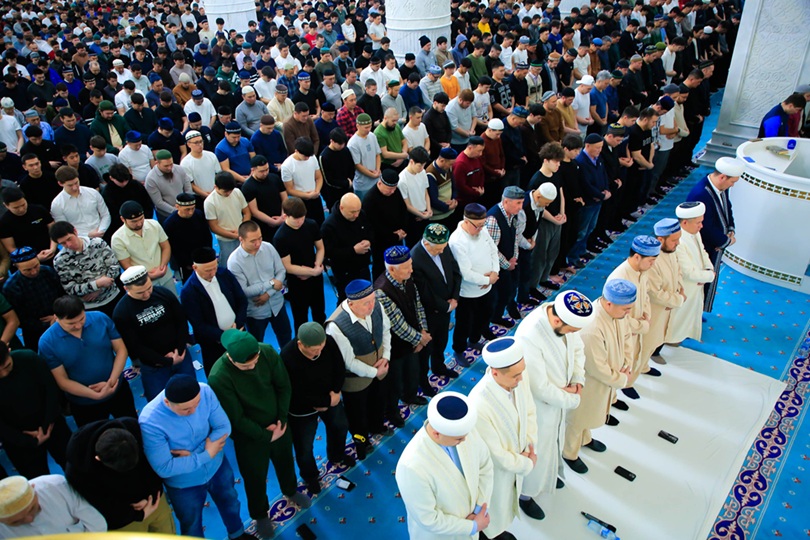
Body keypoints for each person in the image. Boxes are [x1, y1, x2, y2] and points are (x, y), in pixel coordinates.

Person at [208, 329, 311, 539]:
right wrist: (266, 436)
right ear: (231, 358)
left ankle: (290, 490)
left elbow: (284, 386)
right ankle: (260, 514)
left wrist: (281, 419)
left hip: (278, 424)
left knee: (285, 461)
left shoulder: (267, 352)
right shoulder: (219, 376)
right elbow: (236, 418)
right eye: (246, 366)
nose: (253, 367)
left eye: (255, 361)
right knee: (254, 476)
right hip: (249, 436)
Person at [139, 375, 254, 540]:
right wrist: (206, 454)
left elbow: (223, 427)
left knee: (231, 502)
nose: (193, 411)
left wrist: (192, 455)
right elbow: (164, 468)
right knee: (191, 523)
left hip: (217, 467)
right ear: (167, 403)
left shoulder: (204, 391)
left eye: (197, 404)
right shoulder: (150, 421)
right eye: (186, 409)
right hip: (184, 484)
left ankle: (237, 535)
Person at [515, 290, 594, 501]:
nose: (573, 333)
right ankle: (526, 495)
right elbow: (539, 387)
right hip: (539, 407)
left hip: (560, 399)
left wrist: (577, 380)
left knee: (555, 442)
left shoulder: (564, 320)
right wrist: (573, 398)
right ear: (557, 321)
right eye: (571, 330)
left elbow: (577, 349)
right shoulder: (529, 335)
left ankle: (549, 476)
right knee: (538, 448)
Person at [395, 391, 494, 539]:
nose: (465, 441)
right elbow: (429, 519)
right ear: (436, 434)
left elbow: (485, 465)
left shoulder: (463, 432)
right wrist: (471, 526)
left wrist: (479, 508)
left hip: (476, 519)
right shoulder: (411, 467)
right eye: (458, 439)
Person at [468, 337, 539, 538]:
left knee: (509, 502)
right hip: (496, 472)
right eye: (516, 375)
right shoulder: (479, 404)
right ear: (495, 373)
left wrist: (529, 445)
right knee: (496, 508)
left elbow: (530, 412)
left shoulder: (518, 378)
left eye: (522, 372)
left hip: (521, 457)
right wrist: (526, 463)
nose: (521, 379)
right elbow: (496, 454)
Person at [563, 279, 635, 474]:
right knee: (578, 419)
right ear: (609, 303)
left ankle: (585, 439)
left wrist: (626, 364)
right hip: (589, 382)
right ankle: (569, 453)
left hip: (608, 378)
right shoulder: (592, 328)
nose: (628, 313)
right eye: (626, 309)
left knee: (589, 414)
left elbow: (626, 338)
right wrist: (621, 379)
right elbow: (597, 368)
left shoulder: (617, 314)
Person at [39, 295, 136, 427]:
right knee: (94, 436)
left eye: (81, 319)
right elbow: (62, 381)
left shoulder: (100, 318)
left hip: (117, 389)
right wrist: (95, 395)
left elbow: (121, 350)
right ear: (56, 318)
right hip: (84, 402)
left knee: (132, 426)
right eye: (71, 324)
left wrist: (111, 381)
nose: (78, 325)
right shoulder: (47, 342)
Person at [64, 418, 174, 533]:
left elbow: (154, 465)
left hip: (155, 501)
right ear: (98, 458)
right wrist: (137, 514)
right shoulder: (78, 471)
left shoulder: (135, 427)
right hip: (125, 521)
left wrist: (151, 495)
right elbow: (101, 507)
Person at [281, 322, 355, 493]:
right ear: (301, 344)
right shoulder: (287, 357)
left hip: (330, 397)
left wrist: (335, 392)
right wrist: (326, 402)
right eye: (314, 349)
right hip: (302, 409)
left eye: (321, 346)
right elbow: (294, 392)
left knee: (340, 426)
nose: (319, 351)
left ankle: (337, 455)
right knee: (304, 447)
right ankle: (310, 476)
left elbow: (339, 367)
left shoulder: (327, 341)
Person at [325, 279, 392, 460]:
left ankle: (377, 426)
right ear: (351, 303)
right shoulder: (336, 326)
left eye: (372, 300)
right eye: (366, 303)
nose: (372, 306)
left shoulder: (375, 305)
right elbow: (349, 362)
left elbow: (386, 330)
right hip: (355, 379)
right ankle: (362, 442)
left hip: (380, 367)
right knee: (357, 416)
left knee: (378, 402)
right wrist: (375, 372)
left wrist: (386, 357)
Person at [113, 266, 195, 401]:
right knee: (159, 402)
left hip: (180, 355)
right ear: (126, 289)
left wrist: (179, 350)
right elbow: (134, 346)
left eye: (149, 288)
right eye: (140, 293)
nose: (146, 295)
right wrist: (166, 361)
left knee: (191, 395)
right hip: (154, 367)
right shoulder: (121, 312)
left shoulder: (164, 294)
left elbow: (181, 322)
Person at [375, 245, 431, 419]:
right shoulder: (381, 291)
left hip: (413, 338)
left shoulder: (406, 278)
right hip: (395, 346)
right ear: (392, 269)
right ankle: (392, 412)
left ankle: (410, 396)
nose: (411, 270)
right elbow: (398, 325)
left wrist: (423, 329)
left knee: (412, 372)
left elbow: (418, 304)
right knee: (395, 383)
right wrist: (420, 339)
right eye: (407, 267)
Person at [0, 341, 70, 478]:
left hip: (52, 425)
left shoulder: (29, 359)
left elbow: (51, 390)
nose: (4, 374)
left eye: (7, 366)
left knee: (75, 465)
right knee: (37, 482)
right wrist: (26, 441)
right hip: (18, 441)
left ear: (9, 351)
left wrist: (46, 426)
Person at [607, 235, 661, 401]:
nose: (653, 265)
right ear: (637, 257)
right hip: (624, 332)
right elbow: (616, 315)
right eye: (651, 261)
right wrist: (641, 325)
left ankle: (622, 389)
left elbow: (645, 297)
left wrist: (646, 317)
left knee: (631, 361)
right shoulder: (619, 279)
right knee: (616, 367)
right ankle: (611, 400)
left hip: (637, 327)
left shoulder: (641, 271)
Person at [686, 156, 742, 312]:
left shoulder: (720, 187)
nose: (733, 185)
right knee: (698, 283)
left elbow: (726, 207)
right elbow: (705, 227)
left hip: (713, 246)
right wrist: (724, 241)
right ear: (723, 177)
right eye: (732, 182)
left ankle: (698, 311)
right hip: (703, 248)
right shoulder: (701, 194)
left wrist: (730, 228)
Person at [180, 247, 248, 375]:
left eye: (214, 268)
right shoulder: (189, 291)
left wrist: (238, 324)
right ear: (195, 268)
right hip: (213, 343)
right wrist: (224, 335)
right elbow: (198, 324)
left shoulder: (224, 274)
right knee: (220, 373)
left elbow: (241, 299)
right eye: (208, 270)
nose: (212, 273)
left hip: (238, 332)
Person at [448, 203, 500, 365]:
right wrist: (487, 280)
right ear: (466, 221)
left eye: (483, 225)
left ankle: (474, 340)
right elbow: (465, 272)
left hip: (487, 287)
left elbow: (493, 250)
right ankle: (459, 350)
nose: (481, 229)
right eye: (477, 226)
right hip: (468, 292)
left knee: (484, 316)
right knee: (464, 323)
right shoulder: (457, 241)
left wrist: (495, 272)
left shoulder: (482, 230)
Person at [411, 224, 461, 386]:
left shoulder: (442, 246)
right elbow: (424, 293)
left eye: (443, 248)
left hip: (447, 306)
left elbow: (455, 272)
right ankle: (422, 380)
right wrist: (446, 306)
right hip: (429, 313)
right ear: (426, 243)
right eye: (438, 249)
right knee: (426, 350)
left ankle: (439, 367)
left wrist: (454, 298)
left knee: (441, 341)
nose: (442, 251)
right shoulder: (415, 258)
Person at [227, 220, 291, 347]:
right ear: (241, 239)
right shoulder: (234, 262)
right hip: (255, 312)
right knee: (256, 344)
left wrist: (268, 294)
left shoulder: (268, 247)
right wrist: (271, 283)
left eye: (260, 238)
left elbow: (281, 271)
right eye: (253, 241)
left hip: (277, 304)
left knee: (286, 336)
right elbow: (244, 291)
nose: (258, 243)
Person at [273, 196, 326, 328]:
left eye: (302, 218)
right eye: (296, 219)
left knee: (320, 312)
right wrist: (311, 272)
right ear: (285, 216)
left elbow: (320, 248)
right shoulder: (281, 237)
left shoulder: (311, 225)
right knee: (300, 317)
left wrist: (317, 265)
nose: (300, 222)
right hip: (297, 282)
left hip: (315, 276)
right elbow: (288, 266)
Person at [50, 221, 121, 316]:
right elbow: (70, 289)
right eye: (63, 243)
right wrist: (96, 285)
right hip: (89, 307)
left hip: (113, 296)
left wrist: (100, 288)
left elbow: (114, 266)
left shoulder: (98, 243)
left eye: (69, 239)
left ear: (75, 231)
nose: (69, 244)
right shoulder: (60, 260)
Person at [669, 201, 715, 345]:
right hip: (685, 286)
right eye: (698, 223)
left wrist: (708, 269)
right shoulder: (678, 241)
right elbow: (688, 272)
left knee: (689, 314)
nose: (701, 226)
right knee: (679, 316)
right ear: (685, 223)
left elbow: (703, 252)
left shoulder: (694, 233)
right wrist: (709, 276)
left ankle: (681, 335)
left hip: (697, 282)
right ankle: (671, 339)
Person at [0, 475, 106, 536]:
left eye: (32, 509)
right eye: (16, 521)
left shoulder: (56, 487)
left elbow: (97, 524)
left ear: (34, 489)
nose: (30, 519)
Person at [643, 219, 686, 365]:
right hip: (654, 311)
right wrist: (678, 299)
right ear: (660, 239)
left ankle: (644, 367)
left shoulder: (671, 251)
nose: (678, 243)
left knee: (657, 339)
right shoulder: (651, 260)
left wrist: (680, 290)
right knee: (645, 345)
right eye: (674, 240)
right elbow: (654, 293)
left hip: (667, 307)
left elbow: (678, 271)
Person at [3, 248, 64, 350]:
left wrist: (58, 316)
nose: (34, 271)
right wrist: (47, 323)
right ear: (16, 267)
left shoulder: (48, 271)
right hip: (34, 332)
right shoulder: (11, 287)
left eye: (36, 266)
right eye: (27, 270)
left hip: (61, 320)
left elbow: (63, 295)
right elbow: (19, 318)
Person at [110, 201, 176, 294]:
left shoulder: (154, 225)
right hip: (143, 284)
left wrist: (162, 266)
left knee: (173, 300)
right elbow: (126, 265)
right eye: (134, 221)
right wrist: (148, 275)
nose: (139, 223)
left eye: (141, 218)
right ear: (122, 219)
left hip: (165, 275)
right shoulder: (118, 239)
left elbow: (165, 246)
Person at [485, 186, 525, 329]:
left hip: (510, 261)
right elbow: (491, 249)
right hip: (498, 267)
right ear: (506, 201)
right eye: (518, 203)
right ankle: (494, 318)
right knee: (499, 295)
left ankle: (504, 310)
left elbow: (515, 237)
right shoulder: (493, 219)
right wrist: (507, 264)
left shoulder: (512, 214)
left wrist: (514, 257)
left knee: (510, 289)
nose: (521, 207)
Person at [321, 192, 373, 300]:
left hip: (363, 266)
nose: (356, 215)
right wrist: (353, 250)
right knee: (347, 300)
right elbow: (329, 253)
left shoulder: (361, 215)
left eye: (358, 210)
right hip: (344, 272)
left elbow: (370, 230)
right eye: (352, 212)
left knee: (367, 296)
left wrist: (369, 241)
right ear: (342, 208)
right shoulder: (329, 226)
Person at [362, 169, 409, 280]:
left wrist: (403, 229)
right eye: (389, 189)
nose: (392, 192)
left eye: (394, 188)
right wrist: (394, 236)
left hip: (398, 236)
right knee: (381, 268)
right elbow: (374, 227)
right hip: (381, 243)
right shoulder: (370, 200)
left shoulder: (395, 192)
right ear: (379, 183)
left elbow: (403, 210)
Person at [204, 171, 252, 267]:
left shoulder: (237, 192)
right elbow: (213, 227)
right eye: (225, 191)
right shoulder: (210, 202)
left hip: (241, 234)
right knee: (227, 264)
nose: (229, 193)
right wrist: (233, 235)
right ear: (216, 187)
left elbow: (247, 212)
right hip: (225, 239)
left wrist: (242, 230)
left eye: (231, 190)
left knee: (246, 261)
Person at [163, 193, 213, 282]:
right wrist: (187, 263)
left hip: (203, 257)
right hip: (186, 263)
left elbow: (207, 236)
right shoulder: (170, 224)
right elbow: (174, 249)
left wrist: (208, 253)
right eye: (187, 209)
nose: (191, 212)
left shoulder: (198, 214)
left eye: (193, 208)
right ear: (177, 207)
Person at [50, 166, 110, 238]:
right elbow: (64, 228)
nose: (75, 187)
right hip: (79, 239)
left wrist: (101, 230)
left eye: (76, 183)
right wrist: (87, 235)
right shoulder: (57, 204)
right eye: (70, 185)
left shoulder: (92, 193)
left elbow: (105, 214)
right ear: (60, 183)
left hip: (102, 233)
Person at [145, 150, 193, 223]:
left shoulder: (179, 169)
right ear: (157, 163)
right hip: (166, 215)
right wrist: (178, 210)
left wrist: (187, 205)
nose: (170, 168)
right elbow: (158, 202)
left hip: (186, 209)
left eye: (171, 164)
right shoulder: (151, 179)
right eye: (166, 166)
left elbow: (188, 187)